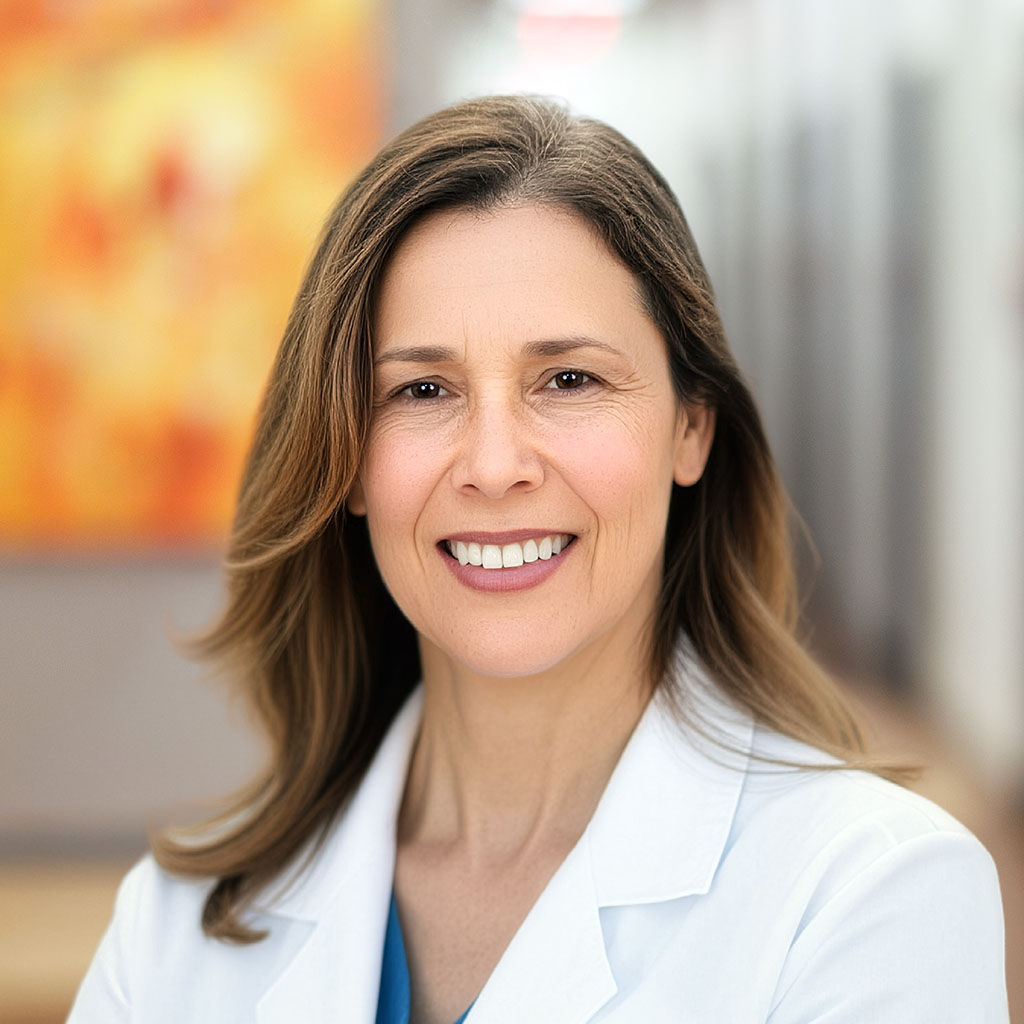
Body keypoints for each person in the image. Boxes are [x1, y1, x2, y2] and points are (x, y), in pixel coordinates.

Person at [68, 95, 1008, 1024]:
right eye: (423, 389)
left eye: (569, 380)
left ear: (691, 427)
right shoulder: (178, 925)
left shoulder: (870, 899)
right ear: (347, 459)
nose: (492, 465)